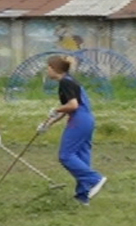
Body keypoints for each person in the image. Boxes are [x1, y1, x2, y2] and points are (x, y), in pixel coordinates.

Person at [38, 56, 106, 205]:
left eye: (48, 67)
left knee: (66, 155)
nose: (47, 70)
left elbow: (73, 105)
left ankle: (95, 179)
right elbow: (67, 108)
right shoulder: (70, 80)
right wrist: (48, 124)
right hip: (87, 119)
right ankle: (83, 196)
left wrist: (55, 108)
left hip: (78, 120)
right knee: (81, 156)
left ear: (54, 68)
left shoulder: (64, 82)